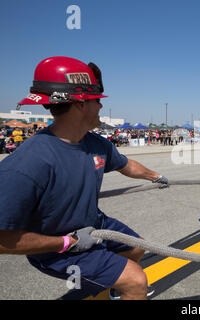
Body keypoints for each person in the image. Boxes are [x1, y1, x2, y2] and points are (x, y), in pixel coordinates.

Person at [0, 56, 170, 300]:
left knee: (136, 248)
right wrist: (65, 242)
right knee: (136, 280)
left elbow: (125, 165)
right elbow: (3, 240)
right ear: (81, 104)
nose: (101, 106)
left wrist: (156, 176)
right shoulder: (28, 163)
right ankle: (126, 287)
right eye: (97, 100)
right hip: (56, 247)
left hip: (94, 224)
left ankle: (114, 288)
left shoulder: (97, 144)